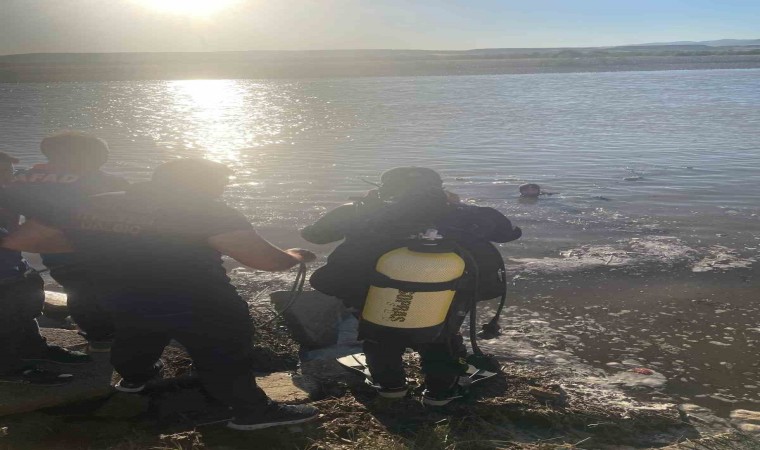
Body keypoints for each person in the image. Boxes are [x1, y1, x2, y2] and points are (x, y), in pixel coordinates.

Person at [1, 158, 319, 430]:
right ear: (203, 184)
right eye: (220, 184)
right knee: (225, 352)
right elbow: (265, 261)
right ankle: (251, 412)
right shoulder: (207, 209)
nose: (221, 190)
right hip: (200, 300)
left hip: (121, 294)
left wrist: (91, 247)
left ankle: (133, 380)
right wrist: (294, 256)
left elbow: (20, 240)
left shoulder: (94, 202)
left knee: (135, 336)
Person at [302, 167, 521, 405]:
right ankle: (441, 393)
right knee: (442, 335)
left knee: (379, 334)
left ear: (384, 189)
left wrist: (365, 205)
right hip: (449, 296)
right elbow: (509, 233)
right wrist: (458, 208)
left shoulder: (358, 211)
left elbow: (314, 235)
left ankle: (391, 388)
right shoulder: (469, 215)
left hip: (371, 292)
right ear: (439, 189)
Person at [8, 131, 130, 352]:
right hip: (101, 252)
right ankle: (108, 337)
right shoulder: (109, 181)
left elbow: (9, 211)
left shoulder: (23, 179)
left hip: (54, 252)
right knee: (105, 291)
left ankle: (98, 337)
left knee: (77, 291)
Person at [0, 152, 88, 385]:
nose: (9, 177)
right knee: (4, 320)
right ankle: (8, 370)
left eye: (10, 171)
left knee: (23, 311)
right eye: (3, 172)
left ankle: (33, 348)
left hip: (12, 268)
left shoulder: (7, 195)